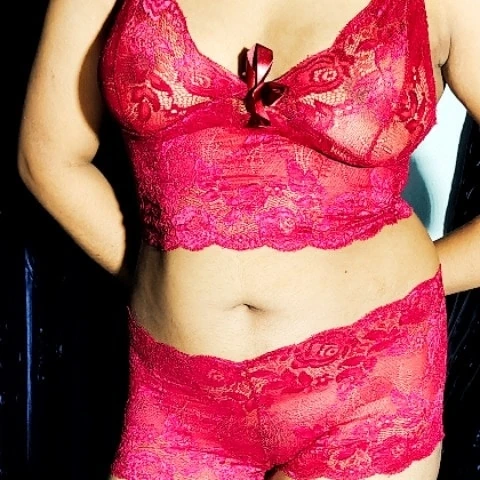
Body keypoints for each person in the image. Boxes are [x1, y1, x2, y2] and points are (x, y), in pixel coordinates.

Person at [17, 0, 480, 479]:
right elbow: (48, 157)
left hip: (369, 382)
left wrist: (415, 284)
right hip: (177, 396)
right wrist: (161, 279)